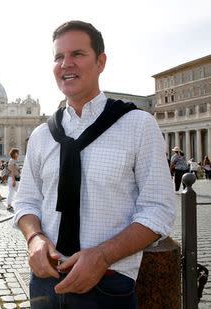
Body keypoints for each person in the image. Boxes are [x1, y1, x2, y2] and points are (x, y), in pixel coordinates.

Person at [14, 21, 176, 308]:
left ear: (101, 61)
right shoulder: (40, 136)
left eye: (77, 54)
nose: (66, 64)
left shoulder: (139, 125)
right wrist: (35, 238)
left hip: (109, 283)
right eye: (58, 57)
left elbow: (158, 210)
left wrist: (102, 255)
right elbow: (26, 201)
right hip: (45, 282)